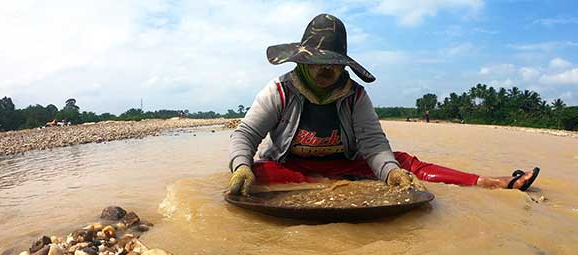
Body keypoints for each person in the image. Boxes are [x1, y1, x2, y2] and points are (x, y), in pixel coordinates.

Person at [227, 14, 539, 196]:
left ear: (344, 65)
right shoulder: (280, 90)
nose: (325, 69)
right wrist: (241, 167)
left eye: (333, 63)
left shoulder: (355, 96)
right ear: (303, 61)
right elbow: (246, 135)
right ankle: (322, 184)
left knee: (403, 163)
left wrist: (390, 173)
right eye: (318, 62)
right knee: (253, 173)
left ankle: (488, 182)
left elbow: (374, 145)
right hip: (290, 166)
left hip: (345, 164)